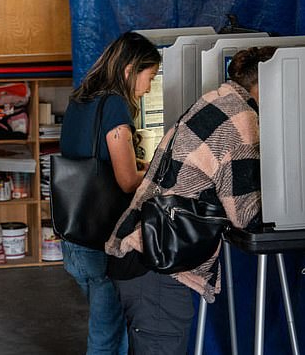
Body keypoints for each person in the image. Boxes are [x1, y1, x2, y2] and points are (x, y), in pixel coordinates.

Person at [105, 46, 276, 355]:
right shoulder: (242, 120)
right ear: (267, 83)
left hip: (138, 250)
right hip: (157, 267)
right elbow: (246, 216)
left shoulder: (215, 100)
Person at [59, 31, 161, 354]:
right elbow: (128, 181)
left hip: (73, 236)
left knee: (112, 332)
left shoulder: (80, 99)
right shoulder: (114, 105)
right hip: (101, 240)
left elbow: (93, 158)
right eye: (150, 77)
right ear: (130, 70)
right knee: (107, 340)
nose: (148, 89)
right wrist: (157, 170)